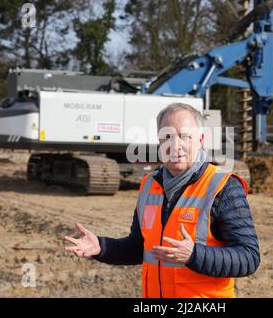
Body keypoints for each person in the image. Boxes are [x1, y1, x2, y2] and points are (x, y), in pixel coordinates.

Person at [63, 103, 260, 298]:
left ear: (200, 140)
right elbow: (138, 247)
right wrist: (101, 247)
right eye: (167, 137)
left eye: (185, 136)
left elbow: (249, 257)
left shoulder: (224, 187)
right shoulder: (150, 185)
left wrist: (194, 255)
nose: (175, 146)